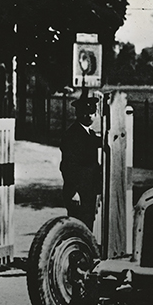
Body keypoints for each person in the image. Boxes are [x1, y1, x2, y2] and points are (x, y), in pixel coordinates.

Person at [60, 87, 102, 231]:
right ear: (78, 114)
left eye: (91, 113)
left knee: (88, 223)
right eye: (85, 113)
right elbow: (67, 166)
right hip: (78, 192)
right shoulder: (72, 135)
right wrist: (74, 191)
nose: (89, 116)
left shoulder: (90, 134)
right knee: (78, 226)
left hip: (89, 190)